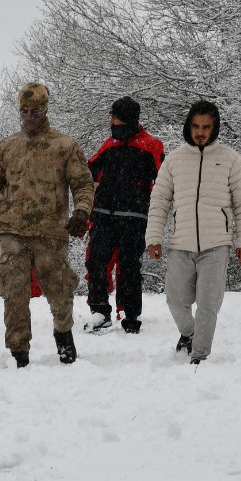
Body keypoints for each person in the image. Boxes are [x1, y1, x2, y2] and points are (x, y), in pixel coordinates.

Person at [0, 82, 95, 368]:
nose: (30, 116)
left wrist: (82, 212)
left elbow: (83, 183)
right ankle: (18, 351)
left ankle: (63, 334)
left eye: (35, 110)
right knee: (14, 294)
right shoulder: (7, 148)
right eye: (24, 111)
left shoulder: (64, 146)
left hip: (51, 232)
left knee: (60, 290)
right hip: (12, 233)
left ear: (45, 109)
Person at [145, 100, 241, 365]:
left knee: (208, 305)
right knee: (175, 301)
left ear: (214, 127)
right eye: (196, 126)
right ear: (188, 126)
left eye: (206, 127)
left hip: (216, 244)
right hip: (180, 242)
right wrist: (153, 237)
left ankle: (200, 356)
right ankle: (190, 334)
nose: (201, 132)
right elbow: (159, 201)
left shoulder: (230, 159)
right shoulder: (174, 159)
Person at [83, 96, 164, 335]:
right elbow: (88, 171)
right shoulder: (110, 144)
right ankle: (100, 312)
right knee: (95, 262)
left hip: (134, 218)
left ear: (128, 120)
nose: (111, 122)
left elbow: (164, 182)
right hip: (103, 216)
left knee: (129, 268)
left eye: (115, 118)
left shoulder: (152, 146)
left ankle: (130, 316)